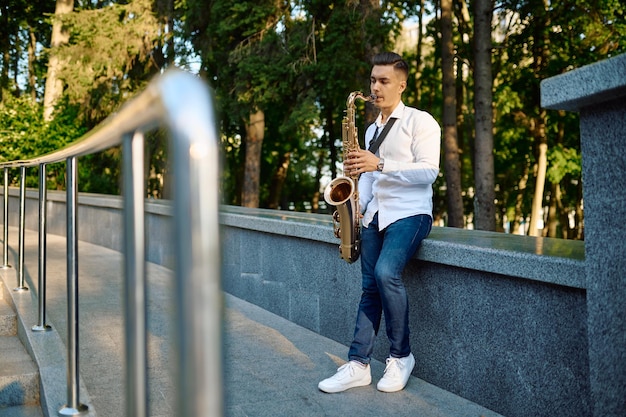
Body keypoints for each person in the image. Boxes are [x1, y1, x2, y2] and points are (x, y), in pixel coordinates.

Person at [318, 52, 441, 394]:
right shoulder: (371, 128)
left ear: (402, 85)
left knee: (387, 273)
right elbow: (367, 178)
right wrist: (358, 207)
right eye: (373, 79)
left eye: (384, 81)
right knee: (369, 287)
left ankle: (401, 357)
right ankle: (358, 364)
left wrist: (380, 164)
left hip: (410, 214)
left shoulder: (422, 122)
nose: (376, 87)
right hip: (374, 215)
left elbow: (429, 171)